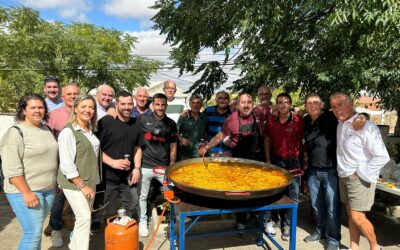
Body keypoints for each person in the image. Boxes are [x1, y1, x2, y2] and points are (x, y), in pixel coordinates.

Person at [330, 92, 389, 250]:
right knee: (351, 214)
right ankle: (354, 247)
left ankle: (375, 247)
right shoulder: (341, 123)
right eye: (334, 106)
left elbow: (382, 156)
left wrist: (359, 173)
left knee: (357, 216)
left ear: (350, 104)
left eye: (340, 105)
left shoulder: (367, 127)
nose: (337, 109)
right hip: (344, 175)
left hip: (359, 178)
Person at [0, 93, 58, 249]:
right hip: (26, 191)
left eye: (41, 107)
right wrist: (27, 192)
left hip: (48, 190)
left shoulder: (46, 129)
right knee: (32, 233)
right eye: (33, 107)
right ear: (24, 110)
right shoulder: (15, 132)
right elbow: (11, 170)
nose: (38, 111)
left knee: (36, 232)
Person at [199, 92, 264, 233]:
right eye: (243, 102)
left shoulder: (260, 115)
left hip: (257, 162)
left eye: (249, 102)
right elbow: (221, 135)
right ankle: (241, 222)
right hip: (239, 162)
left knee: (259, 191)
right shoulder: (231, 119)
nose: (246, 105)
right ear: (238, 104)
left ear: (253, 103)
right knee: (241, 193)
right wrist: (207, 147)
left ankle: (263, 219)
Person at [57, 95, 101, 250]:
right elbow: (67, 164)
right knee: (84, 218)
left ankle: (74, 246)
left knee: (83, 220)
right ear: (75, 108)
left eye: (91, 107)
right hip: (75, 183)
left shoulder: (89, 130)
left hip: (89, 180)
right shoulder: (68, 132)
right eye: (83, 106)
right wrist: (82, 185)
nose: (87, 110)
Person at [302, 93, 341, 250]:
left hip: (331, 169)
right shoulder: (305, 121)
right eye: (309, 103)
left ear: (322, 104)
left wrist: (361, 119)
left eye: (316, 102)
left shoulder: (332, 116)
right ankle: (320, 232)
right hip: (312, 169)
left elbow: (350, 115)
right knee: (316, 205)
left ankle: (333, 239)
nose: (313, 105)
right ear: (306, 106)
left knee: (332, 207)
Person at [97, 91, 144, 220]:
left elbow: (138, 148)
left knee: (131, 204)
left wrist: (136, 169)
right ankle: (96, 233)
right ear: (116, 104)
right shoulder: (106, 121)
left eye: (129, 104)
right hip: (107, 178)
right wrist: (112, 162)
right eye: (123, 104)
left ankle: (124, 230)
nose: (127, 107)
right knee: (100, 208)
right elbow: (94, 150)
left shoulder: (136, 123)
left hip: (127, 177)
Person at [264, 93, 304, 241]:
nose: (283, 105)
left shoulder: (298, 121)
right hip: (275, 160)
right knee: (272, 193)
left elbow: (302, 140)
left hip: (293, 162)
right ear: (276, 104)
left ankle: (286, 224)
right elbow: (267, 139)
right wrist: (268, 159)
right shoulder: (271, 120)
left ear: (290, 104)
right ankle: (269, 221)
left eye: (286, 102)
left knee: (292, 195)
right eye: (280, 102)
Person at [137, 93, 178, 237]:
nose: (160, 107)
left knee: (170, 193)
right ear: (152, 105)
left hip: (163, 167)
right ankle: (142, 221)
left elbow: (173, 145)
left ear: (166, 105)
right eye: (157, 104)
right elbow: (135, 140)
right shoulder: (142, 119)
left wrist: (172, 163)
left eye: (163, 105)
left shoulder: (171, 123)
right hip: (145, 165)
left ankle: (175, 218)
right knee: (142, 196)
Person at [45, 83, 80, 247]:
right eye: (69, 94)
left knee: (79, 199)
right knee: (58, 200)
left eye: (75, 94)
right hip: (60, 164)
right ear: (63, 96)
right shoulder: (55, 114)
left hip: (80, 164)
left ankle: (77, 231)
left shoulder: (84, 113)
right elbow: (47, 139)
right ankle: (56, 229)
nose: (73, 96)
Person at [177, 94, 207, 159]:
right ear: (190, 104)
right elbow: (174, 133)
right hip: (185, 154)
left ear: (201, 104)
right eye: (193, 103)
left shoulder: (204, 118)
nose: (195, 105)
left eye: (198, 103)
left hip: (200, 154)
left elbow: (206, 134)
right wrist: (182, 139)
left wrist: (205, 142)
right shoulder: (183, 117)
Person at [203, 90, 232, 157]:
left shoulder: (232, 113)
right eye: (220, 98)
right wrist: (188, 112)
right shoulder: (208, 111)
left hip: (226, 151)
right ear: (216, 100)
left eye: (225, 98)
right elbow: (198, 120)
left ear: (228, 100)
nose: (223, 100)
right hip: (210, 150)